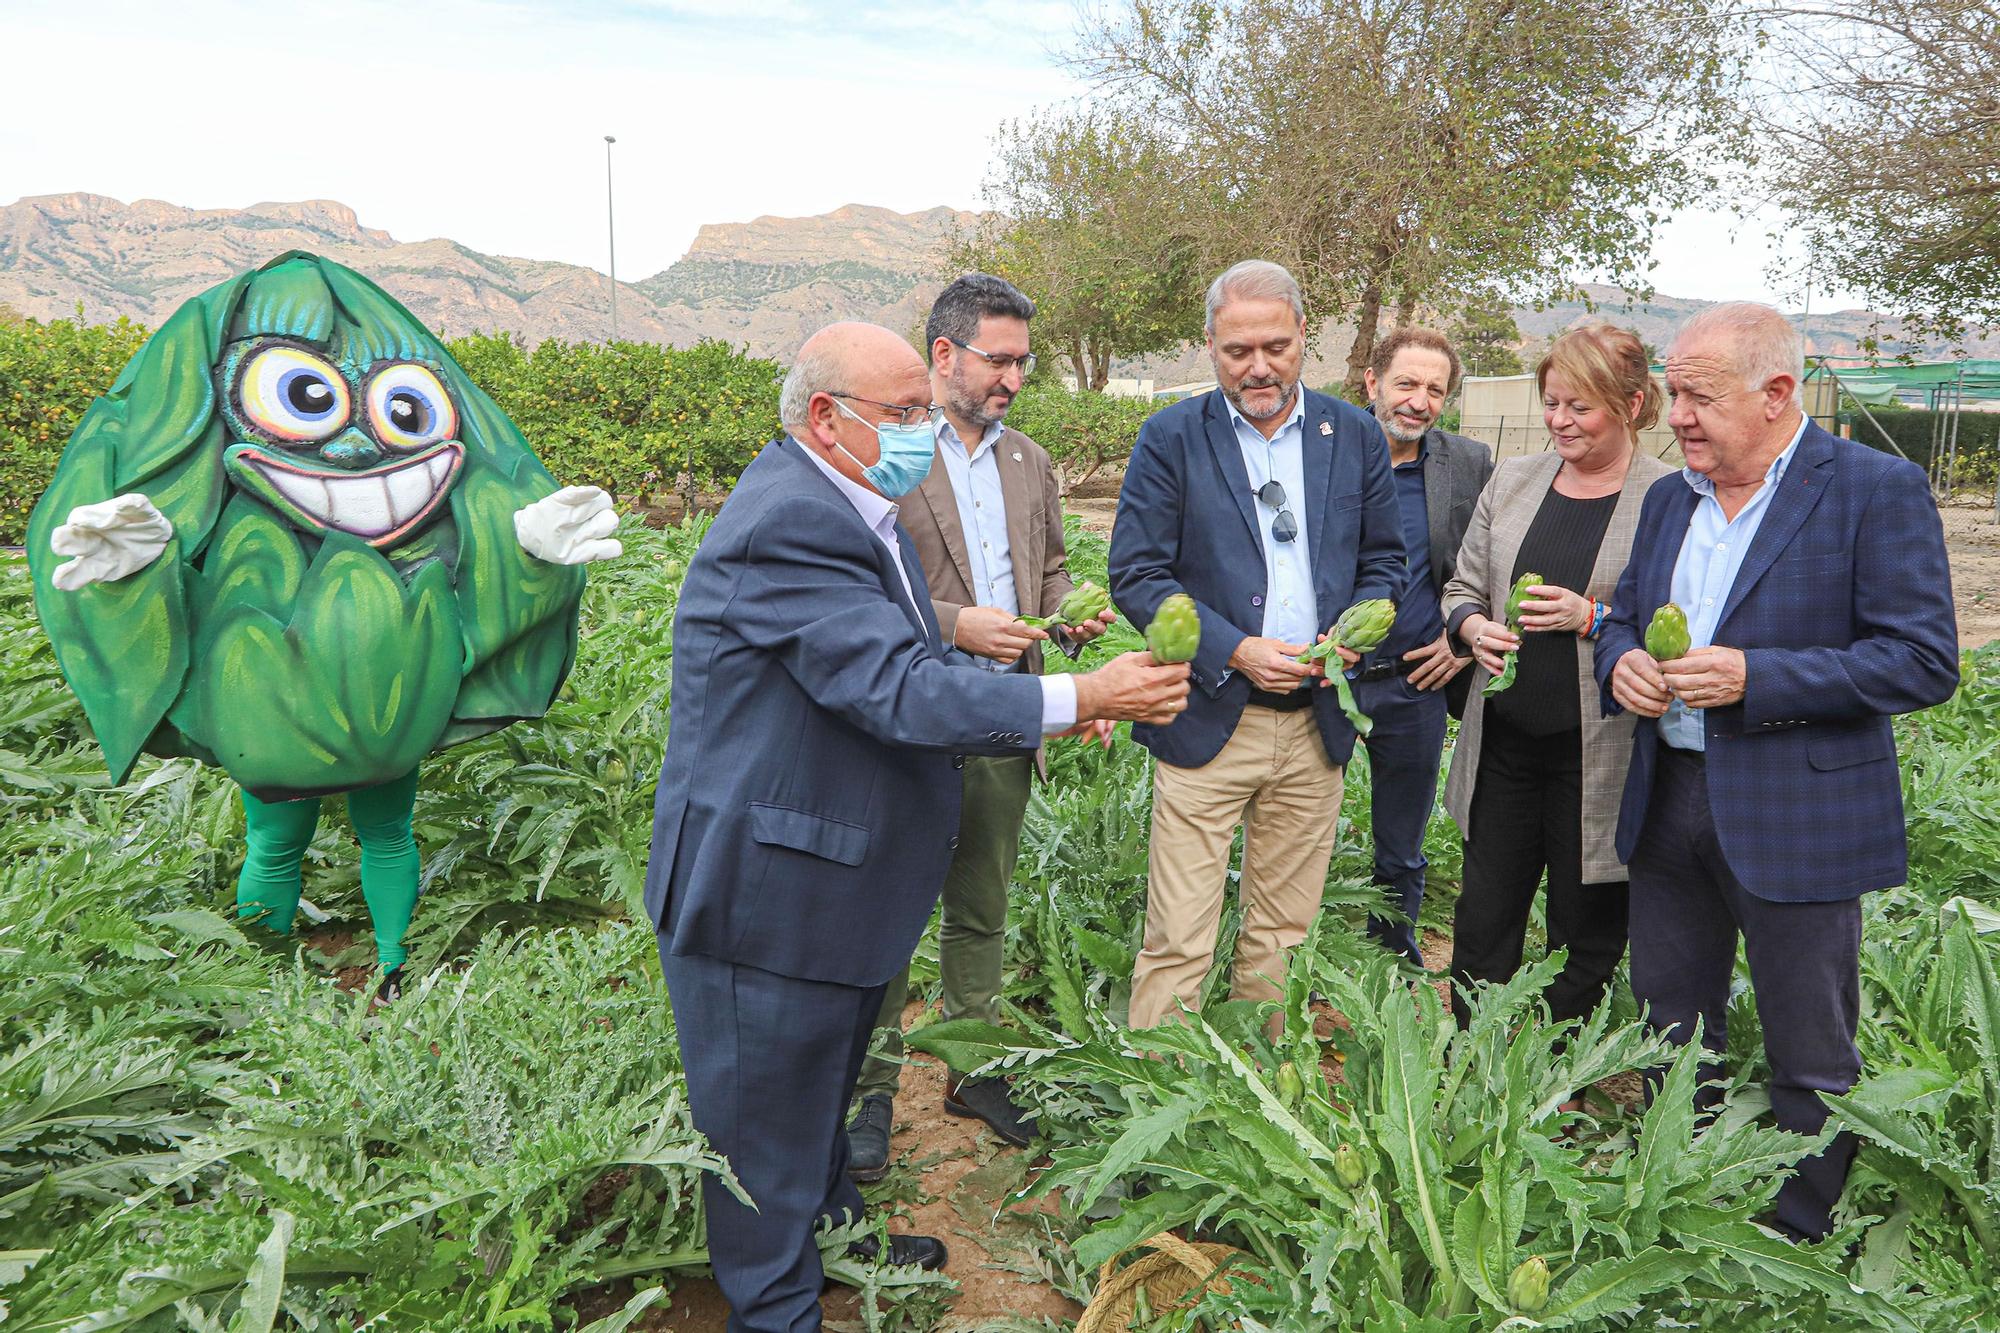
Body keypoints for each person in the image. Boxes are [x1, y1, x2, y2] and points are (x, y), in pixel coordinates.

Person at [643, 321, 1189, 1333]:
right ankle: (778, 1306)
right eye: (900, 415)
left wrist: (1065, 699)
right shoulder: (790, 521)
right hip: (769, 892)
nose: (920, 433)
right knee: (762, 1125)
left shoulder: (854, 505)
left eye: (919, 414)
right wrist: (1071, 696)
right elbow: (893, 687)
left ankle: (837, 1235)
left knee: (822, 1088)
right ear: (823, 417)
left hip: (826, 876)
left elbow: (914, 667)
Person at [1596, 302, 1958, 1241]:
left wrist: (1759, 677)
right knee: (1671, 1028)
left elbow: (1922, 659)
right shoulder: (1670, 497)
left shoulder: (1874, 489)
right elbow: (1629, 616)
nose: (1675, 414)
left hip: (1801, 813)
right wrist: (1620, 659)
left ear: (1777, 394)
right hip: (1671, 799)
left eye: (1698, 396)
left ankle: (1792, 1238)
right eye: (1674, 392)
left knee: (1810, 1046)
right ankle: (1681, 1199)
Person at [844, 274, 1114, 1177]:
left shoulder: (1029, 461)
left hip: (1006, 714)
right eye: (999, 359)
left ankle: (973, 1064)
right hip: (913, 714)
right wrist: (960, 624)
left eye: (1024, 363)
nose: (1014, 378)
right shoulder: (889, 454)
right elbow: (863, 591)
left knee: (981, 903)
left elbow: (1044, 571)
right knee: (885, 913)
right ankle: (870, 1090)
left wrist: (1067, 611)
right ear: (946, 354)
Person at [1108, 259, 1405, 1029]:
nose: (1259, 365)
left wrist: (1353, 636)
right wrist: (1234, 647)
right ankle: (1162, 1092)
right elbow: (1137, 574)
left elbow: (1385, 565)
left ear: (1304, 334)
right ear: (1208, 344)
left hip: (1315, 723)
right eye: (1238, 350)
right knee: (1179, 935)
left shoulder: (1357, 434)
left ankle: (1258, 1086)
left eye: (1275, 344)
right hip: (1210, 713)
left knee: (1283, 930)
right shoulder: (1171, 437)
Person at [1441, 323, 1674, 1040]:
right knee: (1484, 916)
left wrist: (1593, 615)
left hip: (1599, 752)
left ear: (1632, 405)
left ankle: (1554, 1059)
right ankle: (1477, 1056)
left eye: (1581, 407)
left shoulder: (1667, 498)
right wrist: (1474, 628)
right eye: (1552, 403)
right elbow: (1460, 587)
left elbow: (1676, 618)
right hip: (1505, 744)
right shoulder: (1512, 481)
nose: (1560, 421)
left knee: (1586, 924)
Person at [1351, 327, 1492, 967]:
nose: (1420, 400)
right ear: (1372, 382)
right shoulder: (1326, 452)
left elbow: (1491, 565)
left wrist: (1461, 646)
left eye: (1436, 390)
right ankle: (1296, 956)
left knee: (1401, 840)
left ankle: (1392, 957)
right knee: (1296, 829)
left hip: (1416, 681)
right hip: (1326, 677)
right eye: (1406, 383)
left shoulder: (1467, 464)